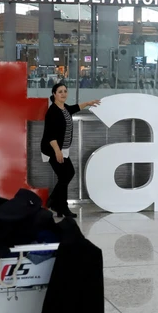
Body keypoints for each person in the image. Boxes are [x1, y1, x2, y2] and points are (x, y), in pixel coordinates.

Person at [40, 82, 100, 218]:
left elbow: (75, 108)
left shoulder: (64, 108)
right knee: (67, 175)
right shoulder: (53, 111)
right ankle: (59, 204)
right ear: (54, 94)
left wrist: (88, 103)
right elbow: (50, 134)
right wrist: (57, 151)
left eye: (65, 91)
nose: (63, 94)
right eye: (60, 92)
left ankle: (57, 205)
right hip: (52, 149)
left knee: (65, 176)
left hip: (62, 149)